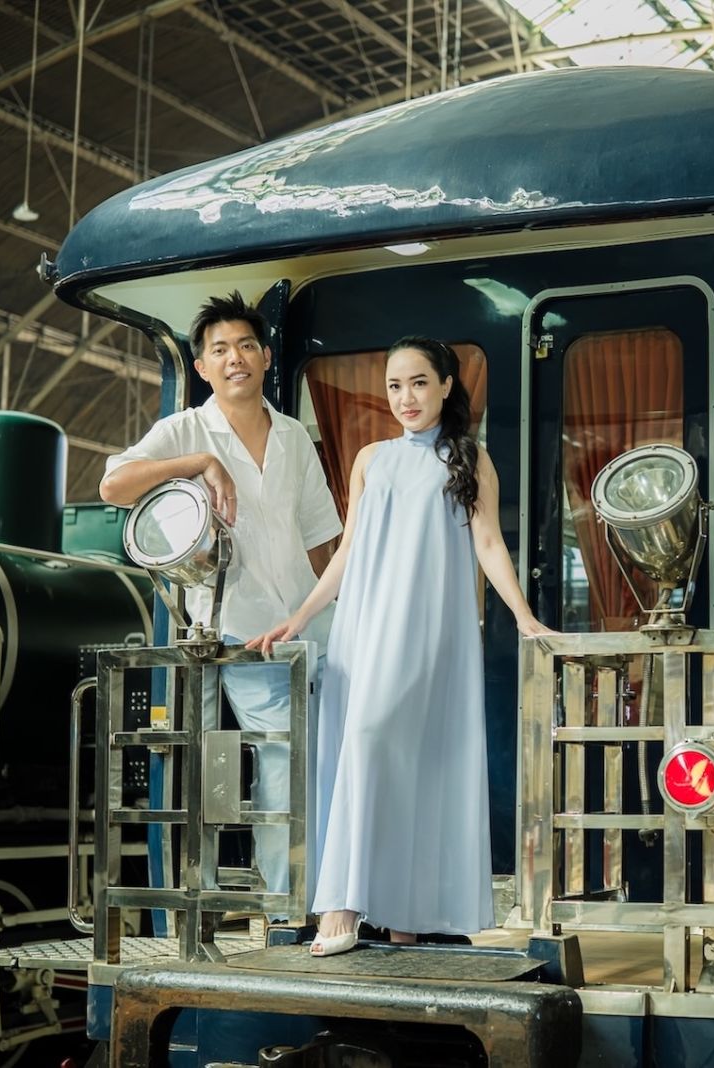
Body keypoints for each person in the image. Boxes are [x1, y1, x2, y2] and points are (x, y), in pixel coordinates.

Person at [247, 336, 549, 956]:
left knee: (395, 750)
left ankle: (347, 909)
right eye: (393, 386)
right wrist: (299, 617)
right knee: (368, 747)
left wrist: (524, 617)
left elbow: (489, 544)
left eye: (418, 383)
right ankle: (393, 918)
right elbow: (348, 552)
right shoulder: (371, 459)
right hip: (364, 625)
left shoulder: (469, 460)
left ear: (446, 386)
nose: (405, 397)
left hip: (430, 629)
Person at [100, 291, 341, 908]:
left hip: (310, 623)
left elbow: (322, 540)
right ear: (203, 366)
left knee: (328, 760)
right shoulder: (184, 429)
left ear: (265, 358)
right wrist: (200, 461)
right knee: (274, 762)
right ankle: (283, 908)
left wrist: (350, 614)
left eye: (246, 346)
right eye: (220, 350)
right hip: (239, 630)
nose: (236, 358)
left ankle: (330, 898)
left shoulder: (293, 436)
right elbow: (114, 485)